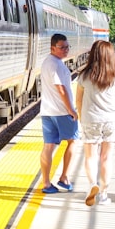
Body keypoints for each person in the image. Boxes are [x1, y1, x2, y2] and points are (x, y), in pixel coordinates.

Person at [75, 40, 115, 206]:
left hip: (91, 119)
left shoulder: (84, 76)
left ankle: (92, 184)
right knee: (106, 158)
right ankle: (104, 194)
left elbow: (79, 100)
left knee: (90, 156)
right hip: (112, 121)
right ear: (112, 56)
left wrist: (81, 117)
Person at [39, 33, 79, 194]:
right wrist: (71, 109)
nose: (65, 50)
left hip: (47, 111)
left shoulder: (47, 62)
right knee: (73, 141)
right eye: (62, 47)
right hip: (62, 112)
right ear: (52, 48)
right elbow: (61, 89)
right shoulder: (55, 65)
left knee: (49, 146)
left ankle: (46, 183)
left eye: (67, 47)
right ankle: (64, 177)